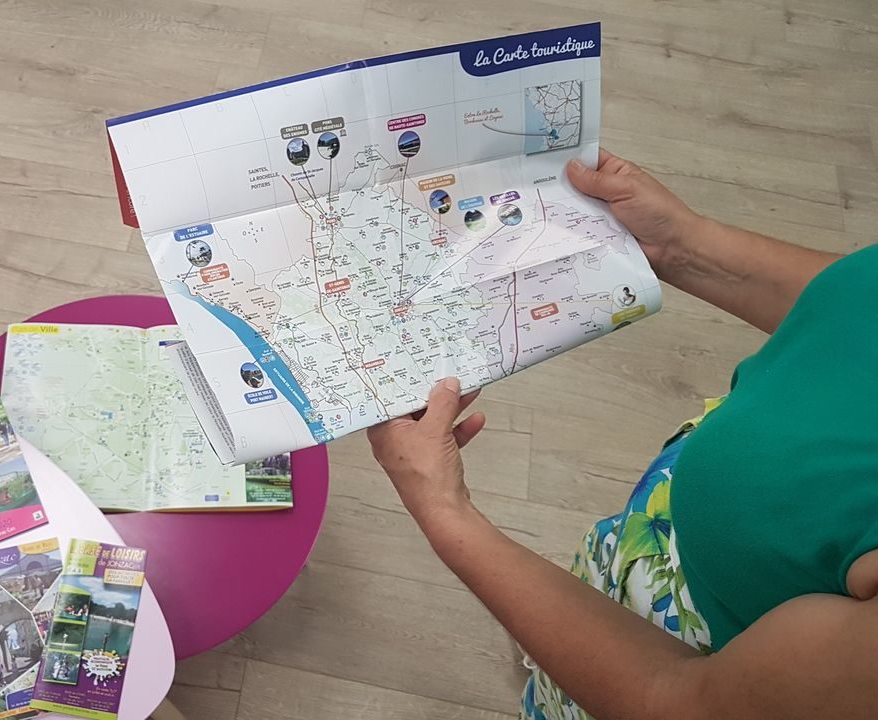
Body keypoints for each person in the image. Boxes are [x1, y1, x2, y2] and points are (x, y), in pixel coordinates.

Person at [366, 149, 878, 720]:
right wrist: (680, 244)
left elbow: (676, 702)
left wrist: (443, 508)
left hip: (685, 646)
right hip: (677, 529)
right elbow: (857, 307)